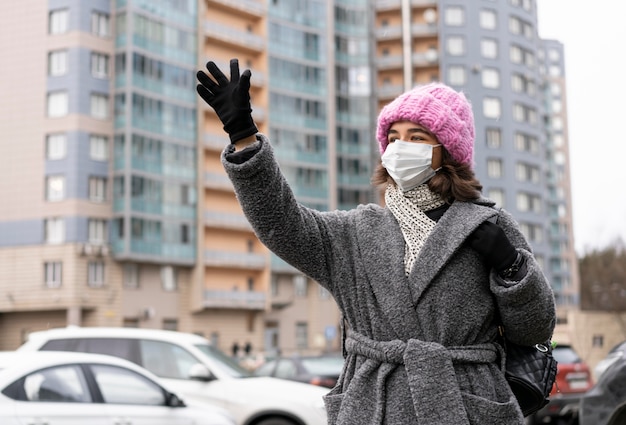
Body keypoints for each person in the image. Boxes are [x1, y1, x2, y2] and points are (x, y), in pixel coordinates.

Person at [197, 59, 556, 425]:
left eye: (417, 137)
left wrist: (511, 266)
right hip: (373, 404)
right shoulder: (356, 231)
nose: (401, 146)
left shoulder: (488, 226)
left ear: (446, 151)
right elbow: (281, 222)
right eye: (394, 137)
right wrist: (243, 136)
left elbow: (535, 329)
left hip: (466, 404)